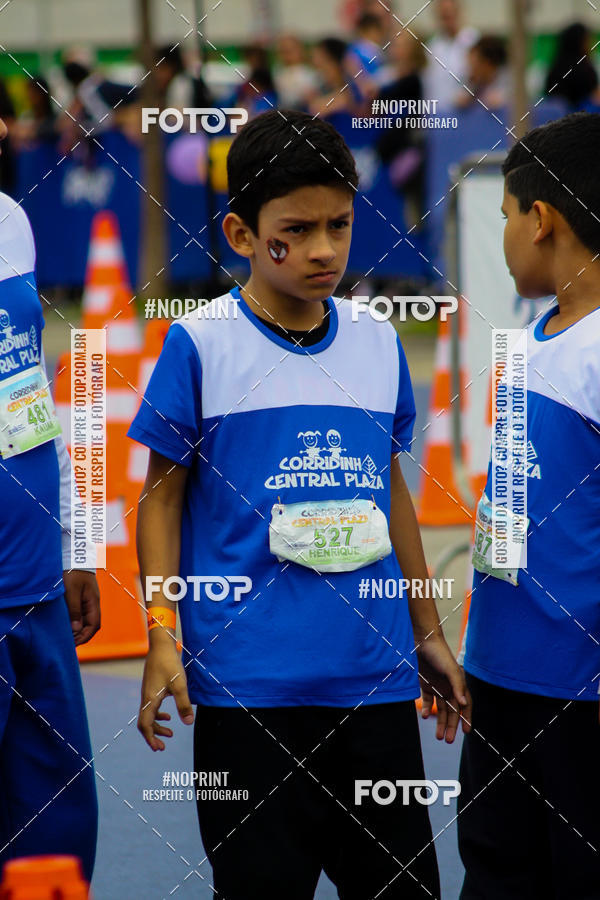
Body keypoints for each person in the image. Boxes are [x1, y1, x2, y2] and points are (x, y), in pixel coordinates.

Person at [129, 108, 471, 899]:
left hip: (374, 684)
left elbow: (391, 494)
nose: (324, 249)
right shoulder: (201, 343)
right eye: (298, 229)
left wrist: (427, 632)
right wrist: (159, 634)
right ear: (243, 235)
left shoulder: (378, 339)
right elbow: (159, 499)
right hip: (251, 695)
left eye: (340, 225)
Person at [457, 111, 600, 899]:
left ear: (541, 220)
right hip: (505, 676)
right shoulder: (539, 337)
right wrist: (480, 653)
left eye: (506, 216)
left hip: (580, 695)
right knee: (499, 867)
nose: (506, 233)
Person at [0, 115, 100, 880]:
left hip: (36, 579)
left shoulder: (11, 221)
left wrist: (74, 543)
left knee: (54, 845)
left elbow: (31, 393)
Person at [423, 0, 479, 109]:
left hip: (468, 114)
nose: (447, 20)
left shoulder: (474, 40)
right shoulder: (431, 47)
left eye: (450, 14)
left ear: (459, 13)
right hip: (438, 116)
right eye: (443, 16)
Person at [544, 22, 600, 109]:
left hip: (558, 120)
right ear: (582, 43)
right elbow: (595, 98)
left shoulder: (554, 67)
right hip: (582, 118)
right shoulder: (585, 69)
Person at [454, 35, 509, 110]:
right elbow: (459, 100)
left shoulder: (508, 86)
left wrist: (503, 100)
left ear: (487, 64)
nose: (470, 68)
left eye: (474, 64)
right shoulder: (471, 84)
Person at [273, 34, 319, 110]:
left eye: (289, 51)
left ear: (300, 50)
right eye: (282, 51)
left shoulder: (310, 74)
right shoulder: (278, 71)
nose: (285, 55)